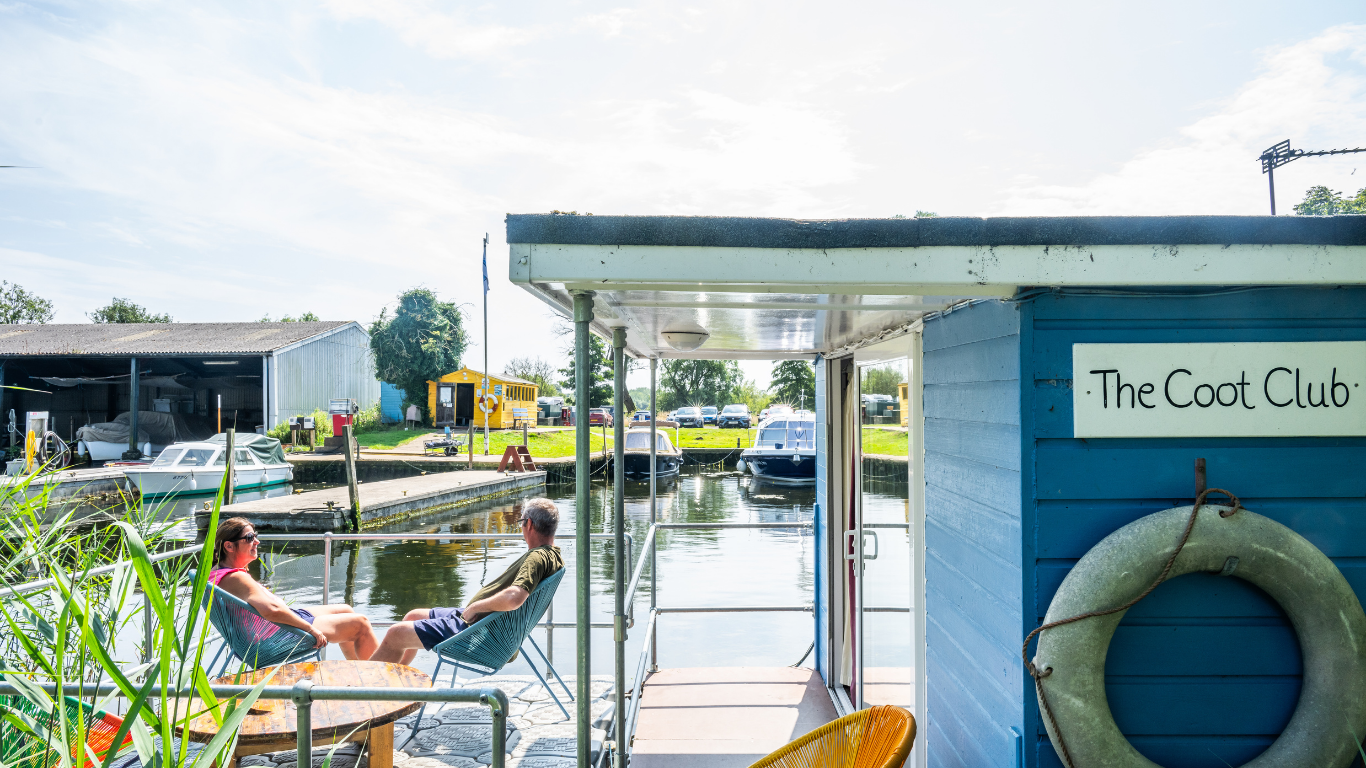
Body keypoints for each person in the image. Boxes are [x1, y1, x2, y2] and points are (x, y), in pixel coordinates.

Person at [371, 498, 563, 665]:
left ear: (529, 524)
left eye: (521, 522)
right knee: (413, 616)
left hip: (479, 633)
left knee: (396, 634)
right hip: (491, 629)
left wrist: (474, 608)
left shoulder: (537, 558)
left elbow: (514, 598)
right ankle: (396, 685)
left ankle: (359, 692)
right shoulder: (554, 556)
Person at [210, 517, 380, 660]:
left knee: (346, 610)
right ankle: (382, 687)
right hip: (275, 636)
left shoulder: (219, 573)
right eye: (249, 538)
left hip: (270, 628)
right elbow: (272, 610)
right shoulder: (234, 578)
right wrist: (310, 628)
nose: (256, 541)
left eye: (255, 536)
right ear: (229, 546)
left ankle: (359, 674)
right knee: (361, 624)